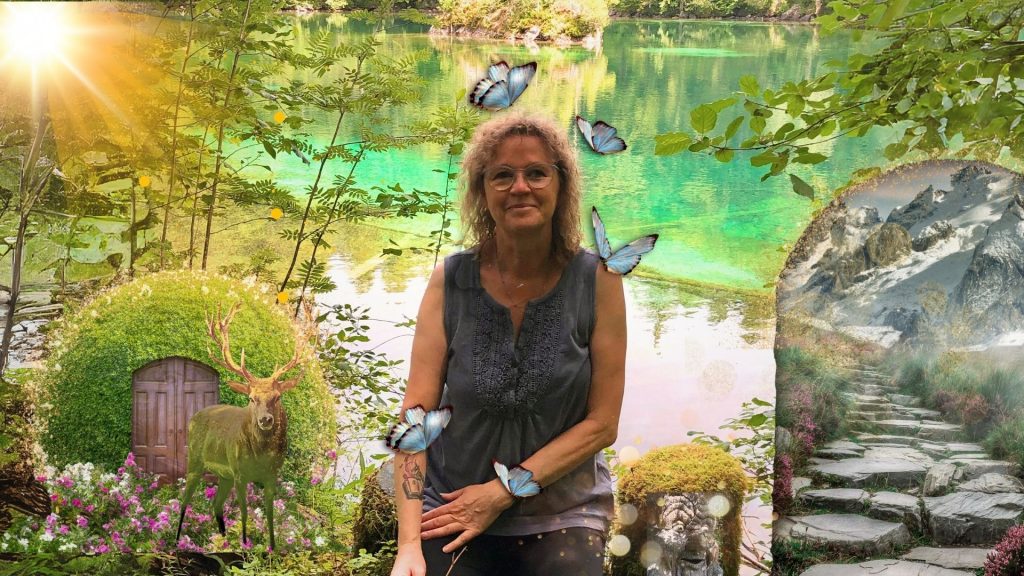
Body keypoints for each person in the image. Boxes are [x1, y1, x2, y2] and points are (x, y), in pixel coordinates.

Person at [389, 111, 627, 576]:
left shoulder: (598, 280)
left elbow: (602, 424)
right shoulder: (450, 281)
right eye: (502, 175)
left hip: (562, 513)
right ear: (482, 191)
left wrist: (500, 493)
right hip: (451, 505)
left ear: (561, 186)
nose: (520, 187)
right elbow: (414, 419)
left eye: (536, 173)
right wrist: (409, 546)